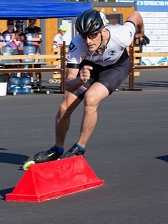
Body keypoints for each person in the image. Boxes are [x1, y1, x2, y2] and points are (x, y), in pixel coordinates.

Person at [29, 9, 144, 163]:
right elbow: (68, 83)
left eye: (92, 35)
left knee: (91, 99)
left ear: (103, 30)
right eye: (84, 36)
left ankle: (80, 148)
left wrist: (140, 32)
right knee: (64, 108)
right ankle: (57, 149)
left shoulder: (122, 34)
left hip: (115, 68)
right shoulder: (77, 44)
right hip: (89, 68)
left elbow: (135, 15)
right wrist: (80, 80)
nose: (88, 41)